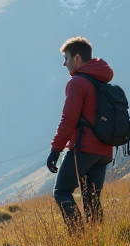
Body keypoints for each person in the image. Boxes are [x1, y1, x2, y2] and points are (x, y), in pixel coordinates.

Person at [46, 36, 115, 233]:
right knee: (91, 197)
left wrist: (55, 150)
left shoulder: (77, 82)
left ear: (77, 58)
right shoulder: (101, 80)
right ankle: (97, 241)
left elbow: (69, 120)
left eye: (66, 58)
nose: (64, 63)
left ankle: (79, 239)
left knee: (62, 192)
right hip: (104, 150)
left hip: (84, 148)